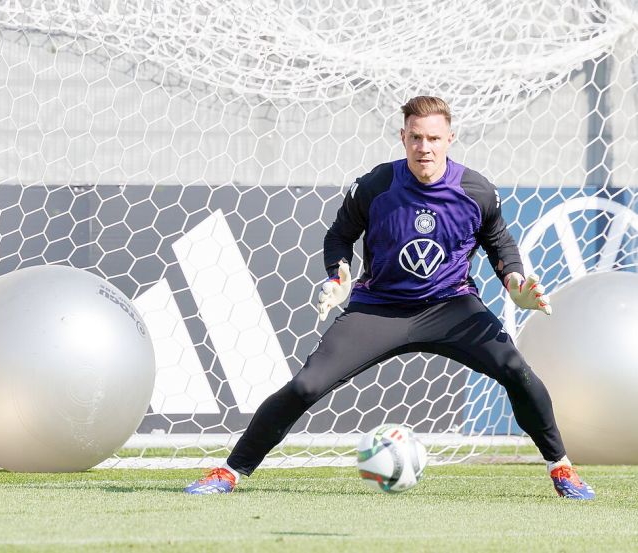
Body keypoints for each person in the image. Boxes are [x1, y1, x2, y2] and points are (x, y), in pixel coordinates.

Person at [184, 95, 595, 500]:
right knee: (306, 385)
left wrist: (515, 281)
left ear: (450, 138)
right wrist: (339, 274)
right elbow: (339, 236)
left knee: (516, 371)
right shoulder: (376, 185)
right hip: (379, 309)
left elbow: (498, 242)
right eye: (416, 137)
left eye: (433, 138)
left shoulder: (477, 190)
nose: (424, 148)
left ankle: (560, 466)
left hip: (451, 307)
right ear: (403, 137)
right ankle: (231, 470)